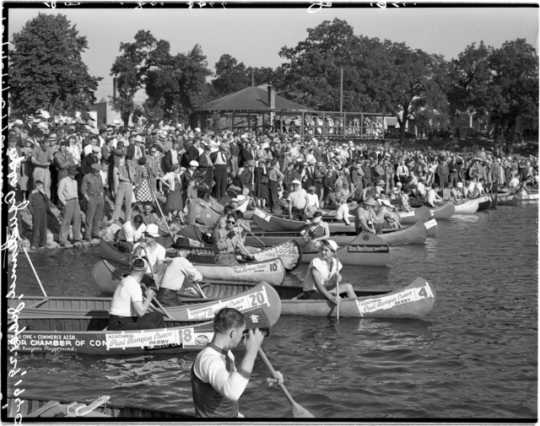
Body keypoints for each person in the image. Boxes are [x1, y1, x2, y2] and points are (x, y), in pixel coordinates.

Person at [191, 307, 281, 418]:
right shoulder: (209, 360)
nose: (243, 337)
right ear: (233, 333)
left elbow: (234, 384)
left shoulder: (228, 354)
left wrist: (263, 383)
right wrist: (251, 352)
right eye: (242, 333)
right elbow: (232, 391)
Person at [108, 257, 163, 330]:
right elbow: (141, 312)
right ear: (145, 270)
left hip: (122, 320)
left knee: (157, 315)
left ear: (131, 267)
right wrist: (149, 297)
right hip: (119, 324)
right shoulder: (134, 285)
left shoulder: (126, 280)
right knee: (149, 326)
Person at [57, 166, 82, 247]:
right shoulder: (63, 181)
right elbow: (59, 193)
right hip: (68, 201)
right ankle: (63, 240)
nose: (74, 176)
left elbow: (76, 192)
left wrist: (77, 202)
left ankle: (76, 238)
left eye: (74, 174)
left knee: (77, 219)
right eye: (73, 174)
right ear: (69, 173)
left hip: (75, 201)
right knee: (66, 220)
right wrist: (64, 202)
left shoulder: (75, 182)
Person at [81, 162, 105, 241]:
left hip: (99, 198)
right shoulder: (87, 177)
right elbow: (83, 190)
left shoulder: (100, 177)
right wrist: (87, 198)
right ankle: (87, 235)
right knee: (89, 217)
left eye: (99, 171)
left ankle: (95, 233)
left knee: (97, 217)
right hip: (91, 197)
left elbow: (101, 187)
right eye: (97, 171)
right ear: (93, 170)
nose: (98, 172)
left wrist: (101, 195)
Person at [28, 180, 50, 250]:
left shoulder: (43, 194)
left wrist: (44, 194)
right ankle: (34, 244)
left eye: (42, 186)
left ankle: (43, 243)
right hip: (36, 212)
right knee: (36, 228)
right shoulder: (32, 193)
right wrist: (33, 212)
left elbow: (47, 200)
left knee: (43, 227)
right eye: (40, 186)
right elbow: (29, 203)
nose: (41, 187)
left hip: (43, 212)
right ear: (36, 186)